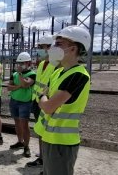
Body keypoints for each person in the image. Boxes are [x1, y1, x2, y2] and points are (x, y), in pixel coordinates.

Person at [34, 26, 91, 175]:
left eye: (59, 44)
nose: (53, 48)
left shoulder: (78, 75)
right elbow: (46, 99)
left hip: (62, 142)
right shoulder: (59, 72)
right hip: (49, 137)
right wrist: (44, 97)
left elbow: (47, 106)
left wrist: (41, 97)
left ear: (73, 49)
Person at [26, 35, 56, 168]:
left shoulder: (56, 65)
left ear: (50, 48)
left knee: (47, 131)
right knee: (39, 130)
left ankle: (46, 158)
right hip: (37, 102)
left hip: (48, 103)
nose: (40, 50)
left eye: (41, 47)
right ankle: (43, 156)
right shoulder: (42, 64)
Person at [7, 52, 36, 158]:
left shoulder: (32, 74)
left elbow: (25, 84)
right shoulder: (14, 74)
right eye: (18, 63)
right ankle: (20, 141)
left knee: (24, 125)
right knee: (17, 123)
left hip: (25, 102)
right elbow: (9, 87)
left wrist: (19, 76)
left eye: (22, 63)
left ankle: (26, 146)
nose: (19, 65)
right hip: (14, 101)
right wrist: (19, 86)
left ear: (28, 63)